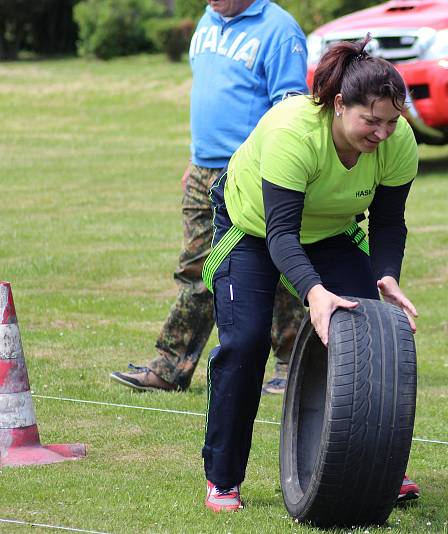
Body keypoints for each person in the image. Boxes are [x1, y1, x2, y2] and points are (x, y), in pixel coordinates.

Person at [201, 36, 421, 512]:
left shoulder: (398, 141)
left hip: (330, 231)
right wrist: (314, 292)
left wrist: (385, 274)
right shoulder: (293, 132)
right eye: (371, 121)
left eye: (391, 121)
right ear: (340, 105)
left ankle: (377, 465)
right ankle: (223, 478)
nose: (383, 133)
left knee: (367, 335)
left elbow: (387, 221)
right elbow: (282, 233)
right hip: (255, 228)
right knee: (247, 341)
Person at [109, 0, 308, 395]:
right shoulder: (208, 18)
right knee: (197, 267)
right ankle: (170, 367)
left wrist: (272, 171)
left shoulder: (280, 30)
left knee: (276, 265)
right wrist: (195, 157)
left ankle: (295, 367)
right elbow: (214, 96)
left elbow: (291, 110)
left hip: (252, 169)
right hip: (203, 168)